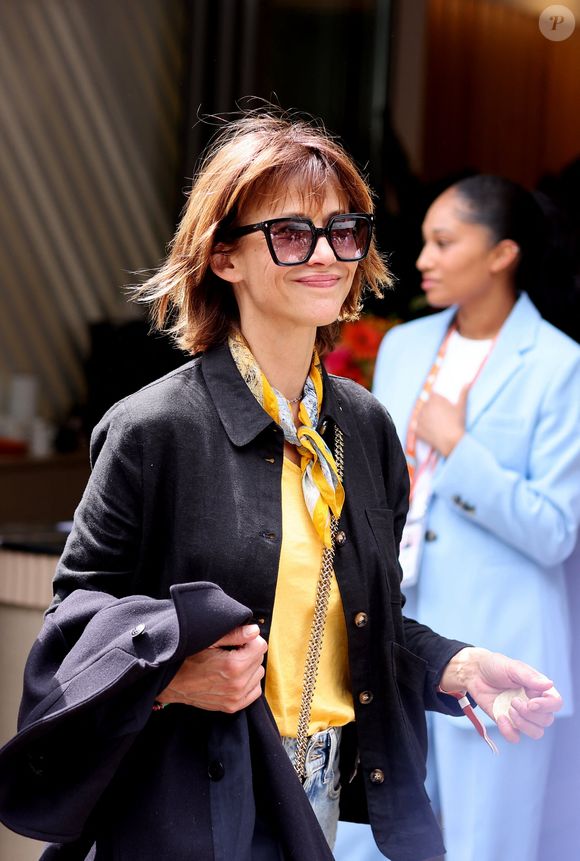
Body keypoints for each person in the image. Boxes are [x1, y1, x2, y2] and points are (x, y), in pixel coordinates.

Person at [0, 117, 563, 861]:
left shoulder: (363, 426)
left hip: (321, 789)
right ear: (224, 256)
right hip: (183, 797)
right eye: (292, 233)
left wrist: (454, 668)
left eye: (344, 229)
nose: (327, 253)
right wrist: (172, 673)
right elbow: (71, 630)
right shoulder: (152, 428)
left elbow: (364, 622)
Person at [370, 174, 580, 861]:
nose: (422, 258)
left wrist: (458, 448)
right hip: (398, 645)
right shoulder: (402, 347)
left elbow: (555, 531)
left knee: (487, 850)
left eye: (443, 241)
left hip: (503, 655)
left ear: (501, 254)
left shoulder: (559, 365)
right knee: (368, 841)